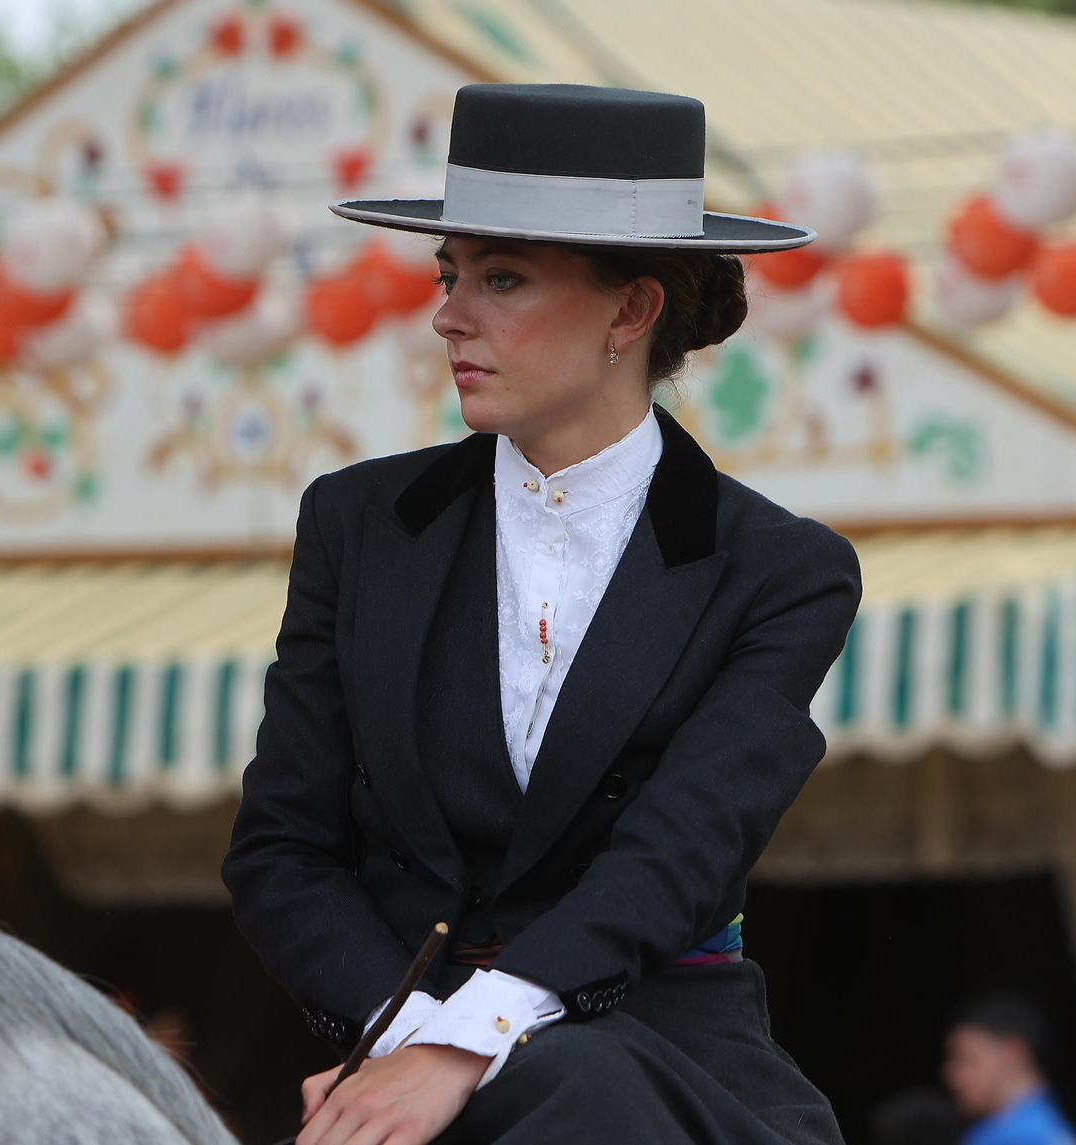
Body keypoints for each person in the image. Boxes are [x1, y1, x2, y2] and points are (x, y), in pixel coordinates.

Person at [223, 84, 862, 1145]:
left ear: (631, 310)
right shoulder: (357, 522)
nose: (448, 313)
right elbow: (282, 849)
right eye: (449, 273)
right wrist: (408, 1039)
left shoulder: (782, 569)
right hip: (390, 1047)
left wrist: (471, 1045)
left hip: (659, 1059)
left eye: (501, 277)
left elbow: (676, 853)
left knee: (578, 1088)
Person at [943, 993, 1076, 1145]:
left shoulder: (1020, 1137)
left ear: (1013, 1053)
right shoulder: (1054, 1130)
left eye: (965, 1059)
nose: (949, 1073)